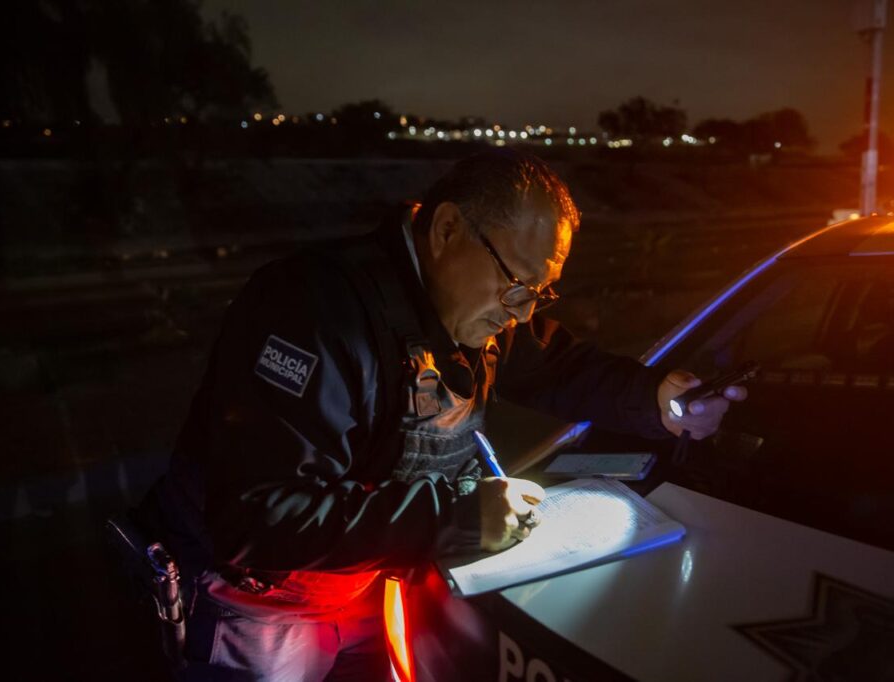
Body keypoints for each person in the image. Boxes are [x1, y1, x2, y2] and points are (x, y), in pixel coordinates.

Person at [133, 149, 746, 680]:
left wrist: (658, 398)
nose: (522, 312)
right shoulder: (312, 311)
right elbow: (258, 518)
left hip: (372, 581)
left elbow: (558, 366)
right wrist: (453, 516)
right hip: (261, 610)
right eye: (517, 284)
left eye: (540, 292)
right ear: (448, 229)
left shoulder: (481, 307)